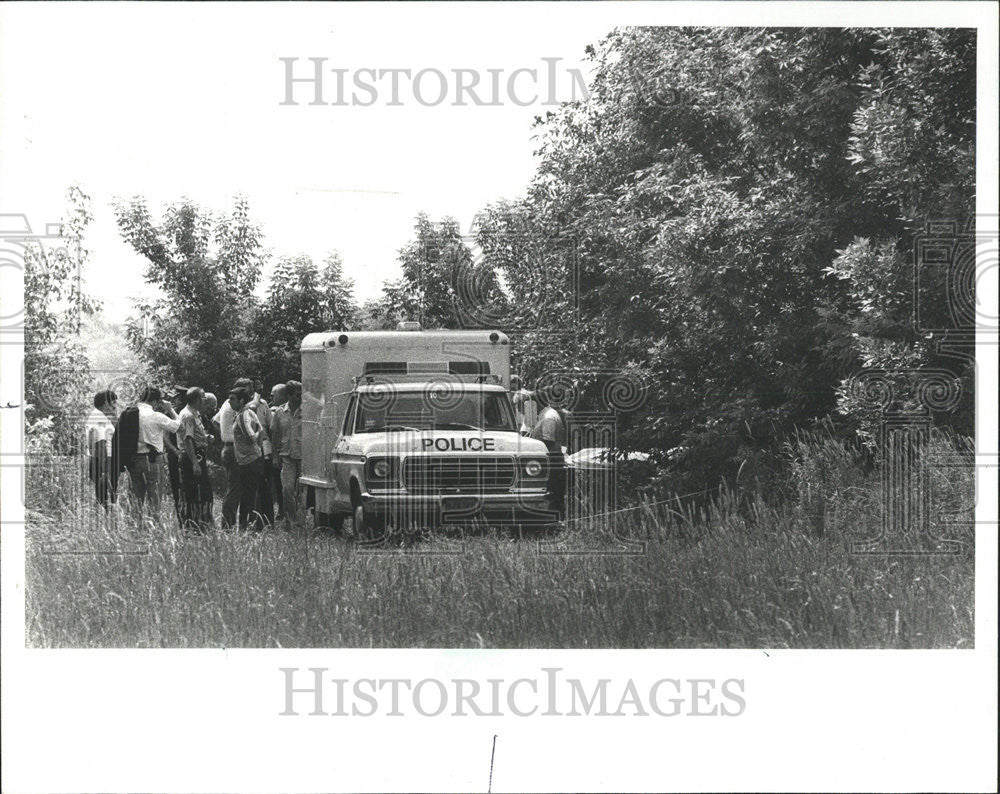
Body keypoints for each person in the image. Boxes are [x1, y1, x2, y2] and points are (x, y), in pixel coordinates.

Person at [127, 386, 181, 518]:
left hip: (133, 460)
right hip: (153, 460)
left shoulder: (129, 414)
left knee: (136, 499)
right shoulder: (156, 416)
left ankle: (134, 529)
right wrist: (170, 409)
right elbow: (177, 426)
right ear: (156, 401)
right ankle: (153, 528)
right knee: (155, 498)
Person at [229, 386, 266, 530]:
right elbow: (260, 430)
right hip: (249, 460)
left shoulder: (243, 415)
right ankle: (249, 525)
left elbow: (251, 435)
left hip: (250, 461)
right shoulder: (245, 412)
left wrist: (255, 444)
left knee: (248, 495)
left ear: (241, 400)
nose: (229, 401)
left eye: (232, 399)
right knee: (249, 493)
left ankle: (247, 526)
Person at [177, 387, 214, 530]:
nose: (205, 401)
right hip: (192, 457)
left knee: (203, 491)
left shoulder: (195, 414)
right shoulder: (187, 416)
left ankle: (202, 522)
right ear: (198, 399)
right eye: (203, 398)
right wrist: (194, 463)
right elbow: (187, 440)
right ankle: (192, 524)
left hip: (198, 455)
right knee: (192, 492)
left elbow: (194, 436)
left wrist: (205, 438)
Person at [529, 389, 567, 518]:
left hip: (552, 459)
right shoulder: (543, 415)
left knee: (553, 492)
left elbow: (548, 441)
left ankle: (556, 519)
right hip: (548, 458)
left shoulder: (548, 417)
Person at [272, 380, 303, 522]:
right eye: (297, 395)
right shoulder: (279, 412)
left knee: (303, 490)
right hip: (287, 455)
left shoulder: (308, 410)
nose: (300, 398)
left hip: (304, 456)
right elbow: (275, 435)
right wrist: (274, 456)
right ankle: (291, 519)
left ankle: (303, 518)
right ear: (289, 396)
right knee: (287, 488)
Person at [85, 389, 118, 508]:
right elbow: (101, 444)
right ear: (106, 404)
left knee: (103, 498)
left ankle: (104, 520)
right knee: (105, 500)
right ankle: (106, 522)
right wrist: (105, 471)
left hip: (100, 461)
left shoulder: (100, 416)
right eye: (113, 403)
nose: (115, 406)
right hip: (102, 462)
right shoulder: (99, 419)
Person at [213, 385, 240, 528]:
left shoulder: (226, 403)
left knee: (232, 486)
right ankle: (227, 524)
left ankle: (227, 523)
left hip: (228, 447)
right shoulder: (235, 406)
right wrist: (230, 438)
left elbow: (214, 421)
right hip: (234, 448)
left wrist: (224, 436)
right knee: (234, 487)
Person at [269, 383, 287, 520]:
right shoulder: (275, 411)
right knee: (278, 482)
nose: (271, 397)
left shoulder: (280, 411)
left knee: (285, 484)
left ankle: (285, 510)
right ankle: (282, 509)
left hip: (287, 451)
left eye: (273, 395)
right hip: (278, 451)